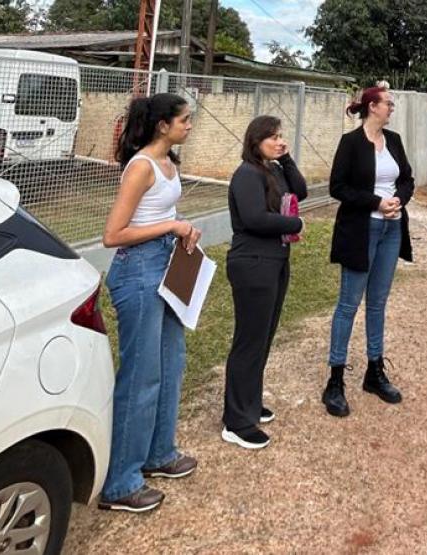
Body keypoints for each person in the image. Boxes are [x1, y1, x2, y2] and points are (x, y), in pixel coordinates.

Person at [99, 93, 201, 513]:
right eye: (184, 120)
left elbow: (160, 214)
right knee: (141, 375)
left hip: (168, 263)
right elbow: (113, 234)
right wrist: (172, 225)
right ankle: (121, 482)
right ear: (163, 125)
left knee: (170, 364)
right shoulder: (140, 167)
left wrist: (180, 232)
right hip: (138, 271)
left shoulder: (169, 163)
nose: (189, 125)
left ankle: (159, 454)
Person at [323, 86, 415, 417]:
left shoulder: (395, 141)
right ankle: (334, 381)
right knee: (348, 304)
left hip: (392, 229)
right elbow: (338, 187)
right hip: (361, 231)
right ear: (373, 106)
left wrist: (398, 201)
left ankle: (374, 372)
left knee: (377, 303)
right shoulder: (350, 143)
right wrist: (377, 202)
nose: (392, 108)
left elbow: (407, 179)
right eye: (388, 103)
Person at [221, 115, 308, 449]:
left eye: (280, 136)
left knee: (264, 336)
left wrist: (286, 159)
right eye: (272, 137)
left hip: (275, 260)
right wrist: (295, 222)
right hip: (253, 263)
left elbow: (298, 189)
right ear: (255, 140)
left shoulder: (271, 170)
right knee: (249, 340)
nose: (278, 141)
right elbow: (255, 218)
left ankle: (250, 403)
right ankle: (236, 421)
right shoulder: (246, 174)